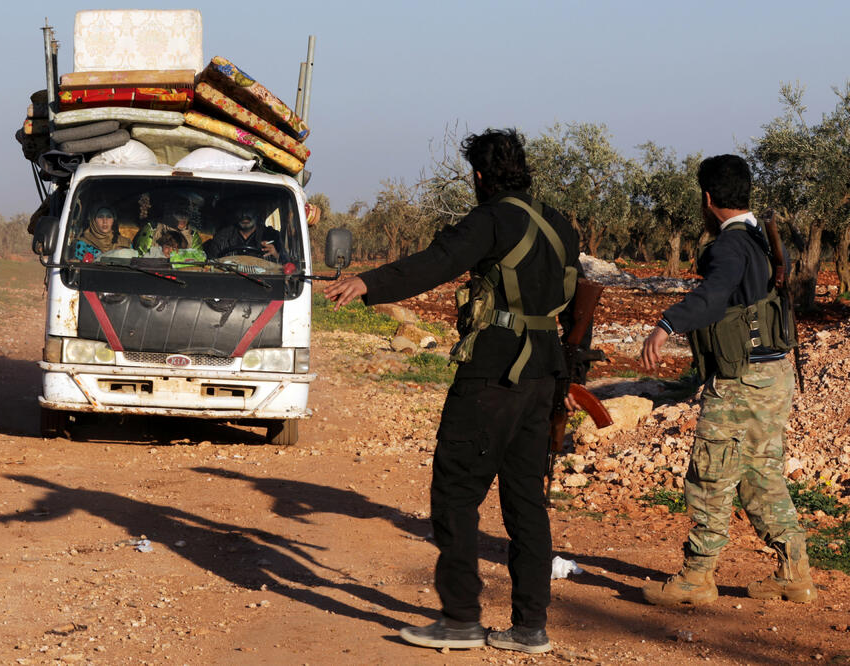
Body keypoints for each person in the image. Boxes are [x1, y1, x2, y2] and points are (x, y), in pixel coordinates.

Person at [324, 128, 584, 654]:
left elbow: (435, 262)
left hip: (492, 372)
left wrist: (369, 284)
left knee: (456, 495)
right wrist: (571, 377)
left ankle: (462, 618)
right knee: (526, 503)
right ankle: (530, 626)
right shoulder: (560, 225)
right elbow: (579, 308)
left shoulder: (491, 218)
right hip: (544, 377)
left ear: (481, 176)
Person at [639, 154, 815, 606]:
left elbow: (714, 296)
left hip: (742, 378)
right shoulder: (763, 239)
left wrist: (667, 324)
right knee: (760, 473)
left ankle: (697, 577)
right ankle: (794, 571)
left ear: (707, 197)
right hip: (774, 374)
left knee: (712, 472)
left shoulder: (731, 244)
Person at [204, 210, 283, 262]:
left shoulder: (272, 236)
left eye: (249, 209)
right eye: (240, 210)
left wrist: (276, 255)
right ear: (235, 213)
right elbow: (210, 264)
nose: (244, 214)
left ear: (258, 212)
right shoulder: (222, 236)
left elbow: (288, 266)